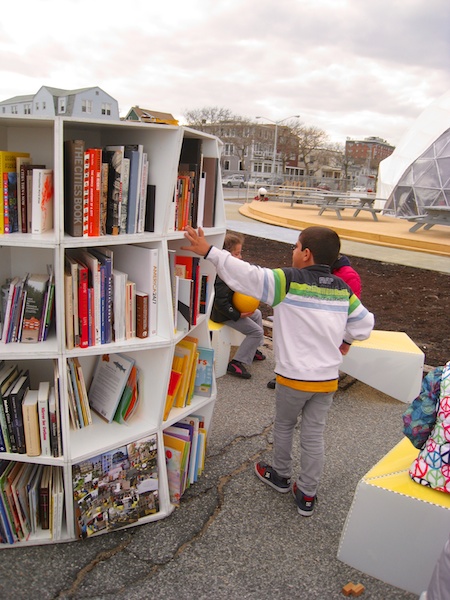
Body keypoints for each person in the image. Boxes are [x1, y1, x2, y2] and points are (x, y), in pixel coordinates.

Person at [182, 225, 374, 516]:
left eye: (296, 247)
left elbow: (247, 274)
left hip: (294, 378)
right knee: (313, 435)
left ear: (306, 253)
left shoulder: (287, 281)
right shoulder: (342, 289)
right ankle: (307, 495)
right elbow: (364, 325)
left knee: (284, 425)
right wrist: (345, 340)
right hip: (326, 380)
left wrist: (210, 251)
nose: (292, 252)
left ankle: (281, 476)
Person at [267, 252, 362, 389]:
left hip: (329, 321)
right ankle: (287, 375)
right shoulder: (310, 269)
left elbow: (354, 308)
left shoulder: (347, 276)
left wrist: (347, 339)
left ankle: (317, 379)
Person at [210, 232, 266, 380]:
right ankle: (237, 362)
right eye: (237, 254)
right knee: (256, 332)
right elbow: (220, 302)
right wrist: (237, 315)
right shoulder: (222, 276)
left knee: (258, 314)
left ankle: (252, 349)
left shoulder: (230, 271)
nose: (240, 257)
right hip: (223, 314)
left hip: (231, 310)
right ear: (226, 257)